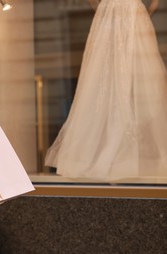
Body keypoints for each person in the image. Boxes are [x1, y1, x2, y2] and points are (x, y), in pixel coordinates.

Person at [45, 0, 167, 182]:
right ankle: (120, 153)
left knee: (109, 75)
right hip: (128, 12)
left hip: (113, 12)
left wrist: (104, 9)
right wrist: (144, 11)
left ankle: (117, 152)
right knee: (122, 76)